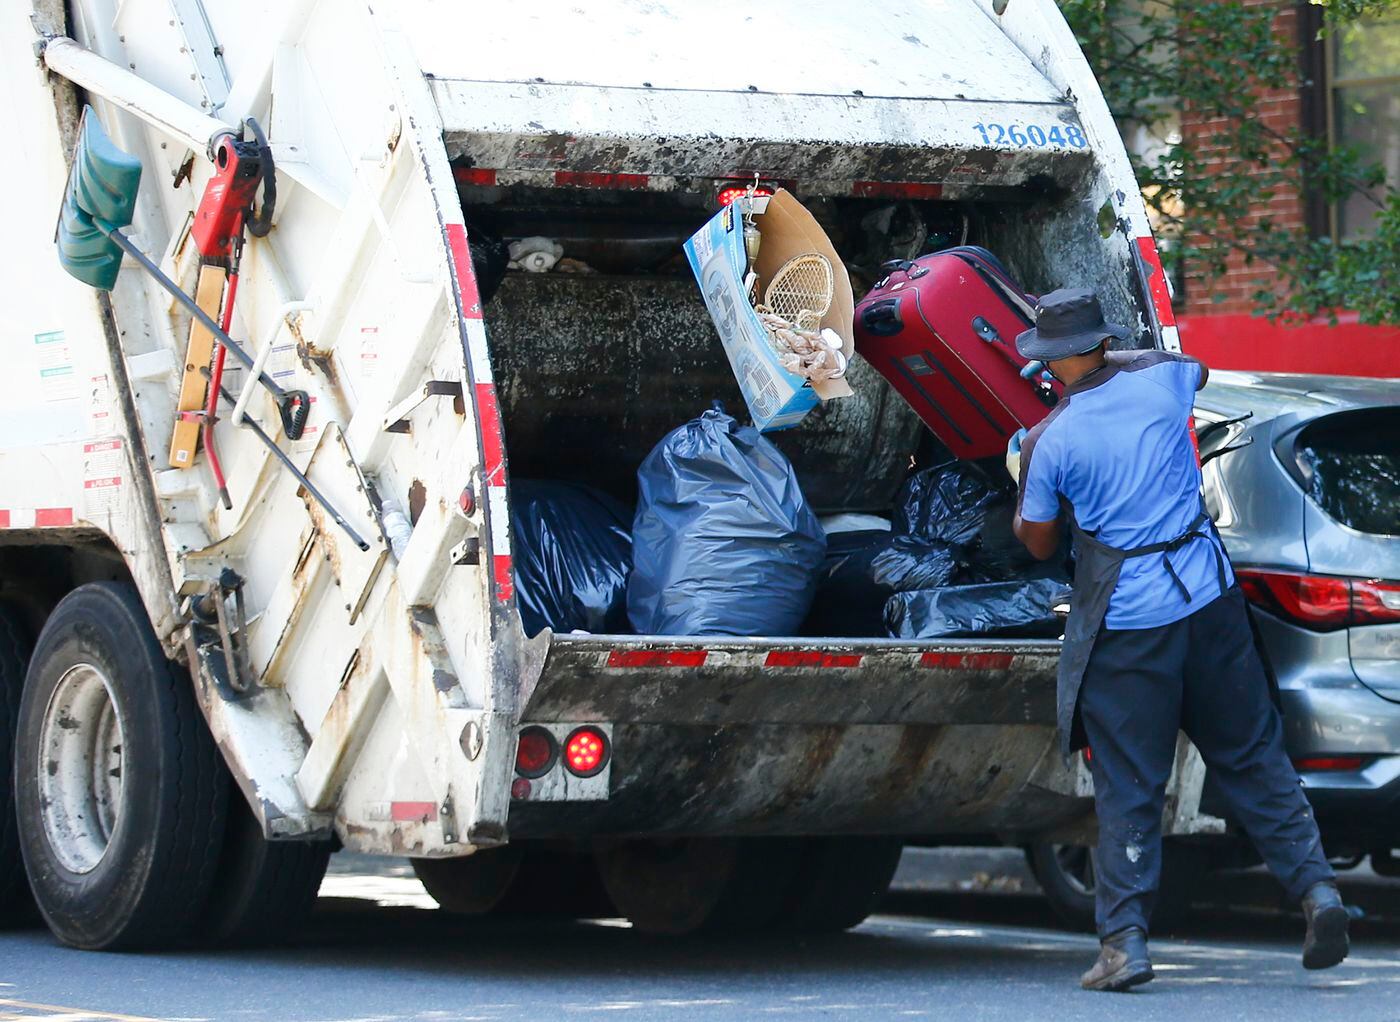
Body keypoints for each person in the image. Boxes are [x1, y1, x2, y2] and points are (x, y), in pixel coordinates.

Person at [1004, 288, 1349, 992]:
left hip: (1130, 629)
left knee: (1131, 782)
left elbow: (1036, 543)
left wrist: (1034, 480)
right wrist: (1113, 360)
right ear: (1103, 342)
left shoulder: (1050, 441)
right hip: (1209, 602)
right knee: (1252, 753)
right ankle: (1319, 894)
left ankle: (1124, 945)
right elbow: (1184, 364)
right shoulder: (1162, 380)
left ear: (1051, 361)